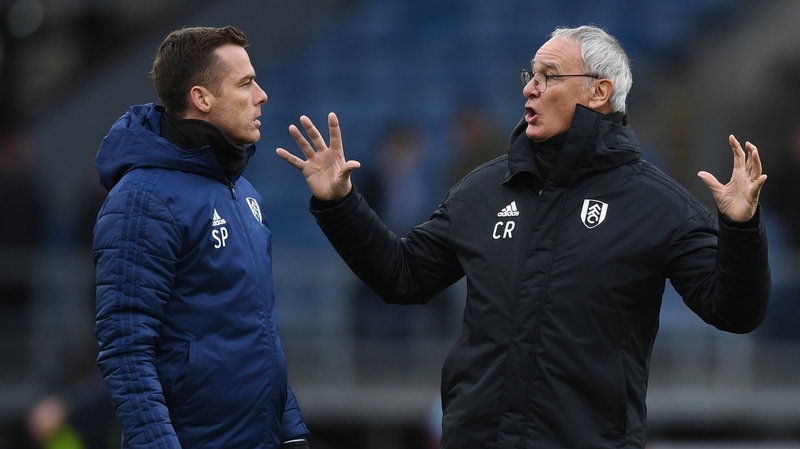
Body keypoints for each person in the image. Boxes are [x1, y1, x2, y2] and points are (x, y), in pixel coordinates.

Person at [276, 25, 770, 448]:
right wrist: (340, 204)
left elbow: (734, 311)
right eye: (530, 76)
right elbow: (402, 276)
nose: (530, 89)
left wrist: (741, 228)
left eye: (548, 76)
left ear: (599, 92)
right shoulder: (483, 189)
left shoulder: (658, 205)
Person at [93, 26, 309, 448]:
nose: (262, 95)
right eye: (245, 83)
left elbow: (258, 335)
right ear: (202, 98)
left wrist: (291, 433)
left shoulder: (243, 193)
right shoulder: (143, 200)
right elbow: (126, 350)